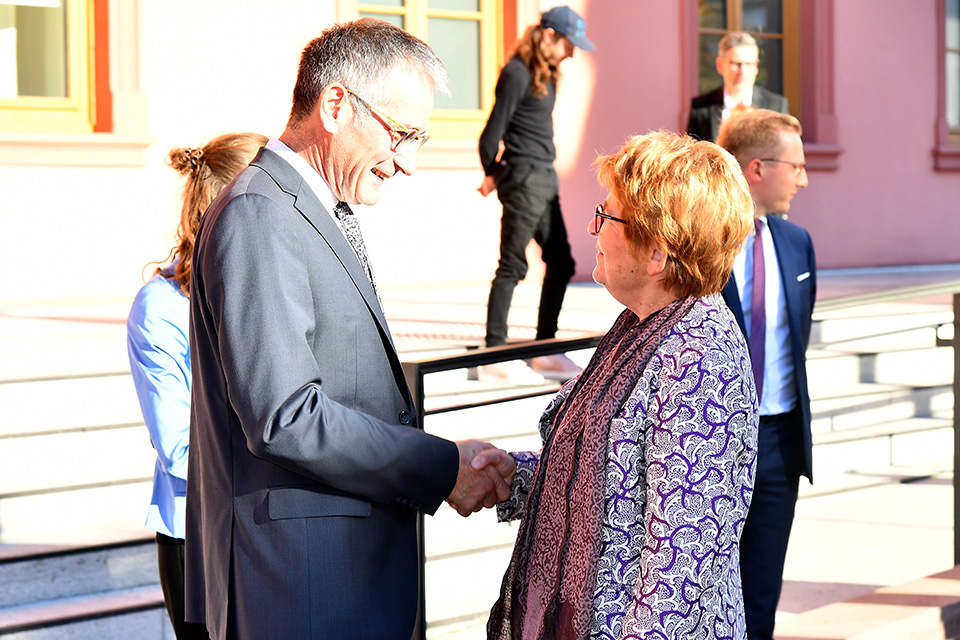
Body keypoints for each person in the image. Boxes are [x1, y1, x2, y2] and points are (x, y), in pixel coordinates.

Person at [184, 19, 515, 640]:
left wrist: (445, 457)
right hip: (303, 590)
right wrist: (440, 466)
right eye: (403, 134)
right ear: (335, 104)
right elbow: (286, 417)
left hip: (338, 576)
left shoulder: (304, 207)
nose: (409, 163)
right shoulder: (260, 213)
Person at [479, 131, 759, 639]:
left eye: (607, 216)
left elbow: (680, 563)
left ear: (657, 253)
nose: (592, 226)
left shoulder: (700, 357)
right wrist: (518, 476)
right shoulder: (642, 322)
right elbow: (611, 476)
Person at [127, 132, 267, 640]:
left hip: (263, 528)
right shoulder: (160, 308)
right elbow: (179, 448)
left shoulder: (264, 284)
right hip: (200, 537)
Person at [716, 108, 815, 640]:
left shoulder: (799, 243)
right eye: (795, 166)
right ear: (756, 169)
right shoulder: (700, 244)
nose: (803, 178)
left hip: (778, 443)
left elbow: (795, 343)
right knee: (703, 592)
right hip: (708, 445)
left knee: (760, 597)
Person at [476, 5, 595, 383]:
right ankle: (494, 351)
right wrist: (494, 174)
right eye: (568, 44)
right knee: (512, 266)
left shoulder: (548, 75)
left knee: (561, 262)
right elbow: (490, 137)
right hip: (523, 178)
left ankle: (545, 349)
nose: (572, 52)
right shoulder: (516, 73)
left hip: (544, 178)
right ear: (548, 36)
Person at [686, 31, 789, 142]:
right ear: (720, 65)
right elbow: (692, 154)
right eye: (736, 64)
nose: (742, 71)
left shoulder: (776, 106)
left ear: (756, 66)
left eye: (749, 64)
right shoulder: (702, 107)